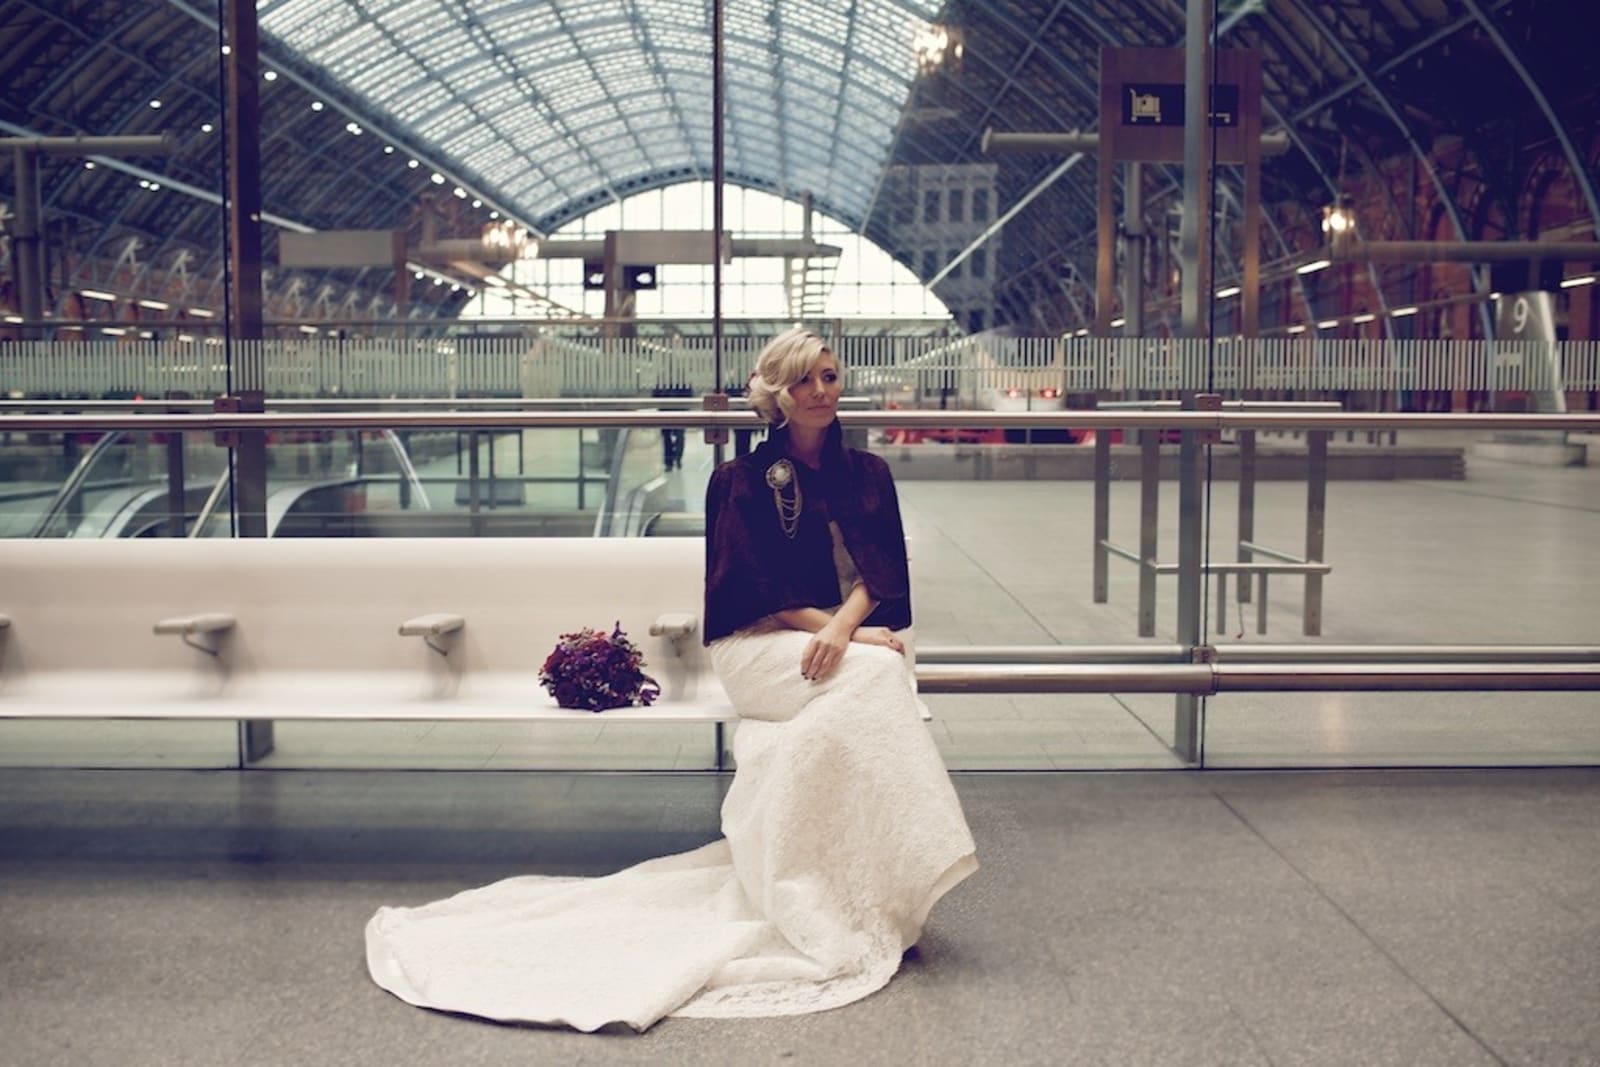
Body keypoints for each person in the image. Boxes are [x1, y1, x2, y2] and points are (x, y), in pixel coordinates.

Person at [364, 328, 977, 1031]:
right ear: (778, 395)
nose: (820, 391)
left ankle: (860, 883)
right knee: (878, 674)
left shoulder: (869, 473)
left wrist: (847, 626)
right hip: (759, 646)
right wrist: (843, 632)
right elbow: (760, 590)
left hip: (842, 639)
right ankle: (913, 863)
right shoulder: (739, 480)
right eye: (803, 380)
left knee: (865, 686)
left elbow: (885, 574)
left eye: (830, 377)